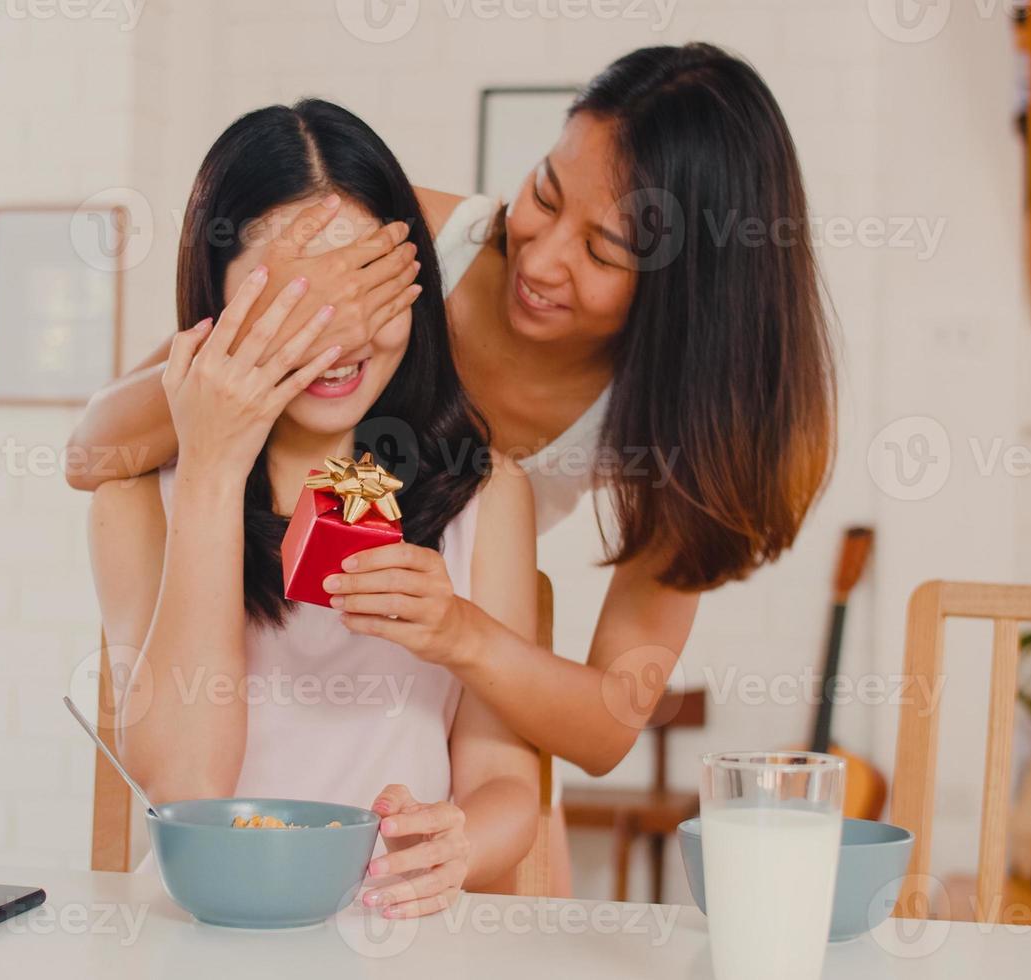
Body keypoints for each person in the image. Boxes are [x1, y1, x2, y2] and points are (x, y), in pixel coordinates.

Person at [74, 44, 835, 894]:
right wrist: (223, 423)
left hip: (453, 687)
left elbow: (592, 730)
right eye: (542, 194)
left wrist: (461, 634)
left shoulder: (525, 485)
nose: (541, 262)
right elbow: (93, 453)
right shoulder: (411, 238)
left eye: (606, 250)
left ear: (685, 289)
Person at [88, 99, 541, 919]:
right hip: (202, 938)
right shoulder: (138, 500)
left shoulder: (485, 496)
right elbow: (186, 786)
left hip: (394, 937)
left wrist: (461, 840)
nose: (332, 338)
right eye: (289, 300)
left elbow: (505, 783)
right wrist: (213, 470)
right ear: (216, 308)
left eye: (364, 288)